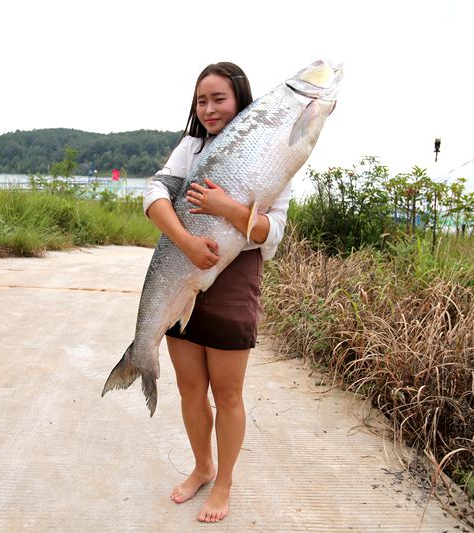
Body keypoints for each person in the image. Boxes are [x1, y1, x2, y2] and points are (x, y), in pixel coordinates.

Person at [142, 62, 291, 523]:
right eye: (201, 100)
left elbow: (273, 232)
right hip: (180, 272)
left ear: (241, 100)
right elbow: (153, 194)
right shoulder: (191, 148)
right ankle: (202, 466)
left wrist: (225, 207)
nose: (208, 109)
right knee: (191, 390)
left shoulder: (271, 148)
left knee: (227, 394)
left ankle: (223, 482)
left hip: (234, 282)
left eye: (218, 99)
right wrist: (186, 241)